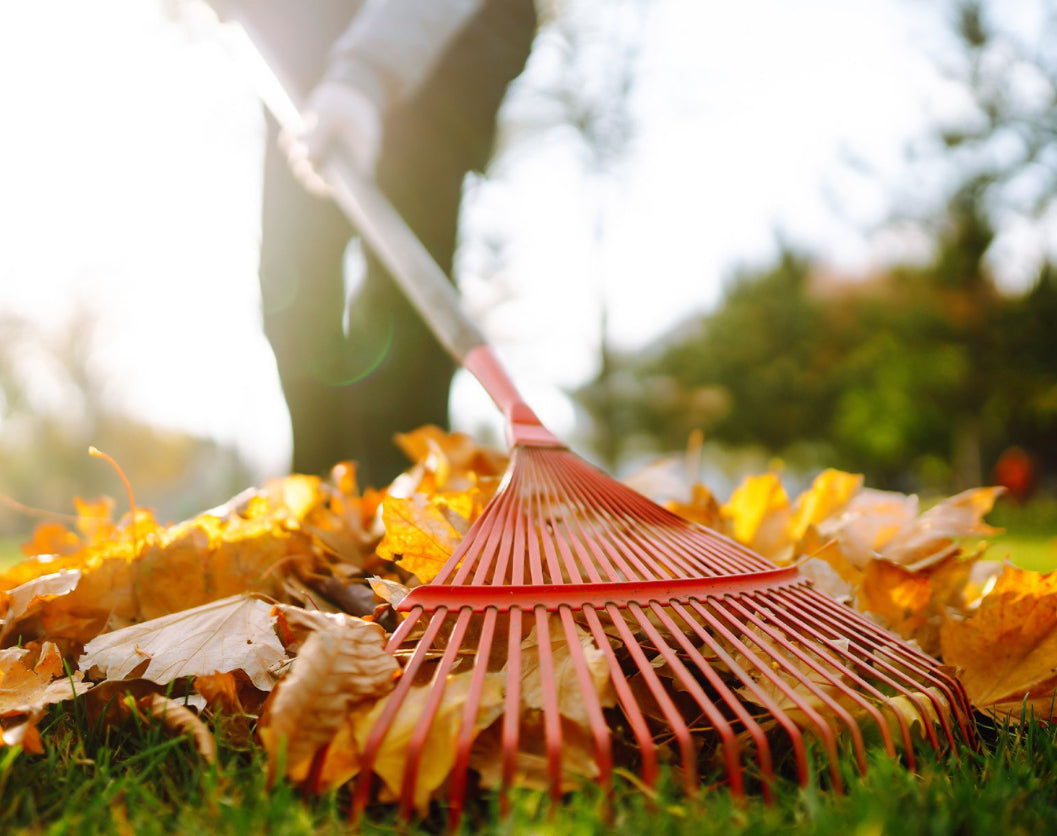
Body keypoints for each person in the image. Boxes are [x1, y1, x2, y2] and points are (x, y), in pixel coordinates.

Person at [206, 0, 537, 485]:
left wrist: (365, 75)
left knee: (403, 308)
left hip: (439, 50)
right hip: (297, 51)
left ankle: (407, 500)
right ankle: (321, 496)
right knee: (293, 292)